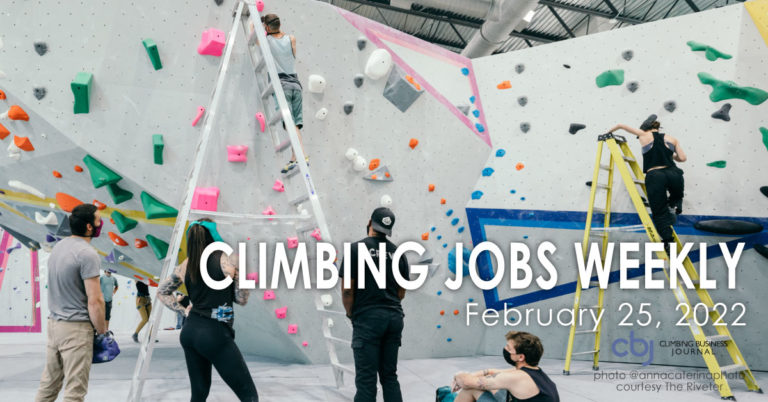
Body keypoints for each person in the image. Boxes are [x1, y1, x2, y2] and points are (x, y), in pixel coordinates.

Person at [157, 219, 258, 401]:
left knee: (199, 395)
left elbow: (162, 292)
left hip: (190, 331)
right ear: (213, 235)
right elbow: (241, 299)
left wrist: (183, 311)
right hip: (215, 333)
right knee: (249, 396)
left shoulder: (187, 264)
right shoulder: (226, 259)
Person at [35, 203, 107, 402]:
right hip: (76, 329)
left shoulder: (60, 246)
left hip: (55, 326)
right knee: (75, 392)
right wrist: (102, 331)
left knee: (48, 386)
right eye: (99, 220)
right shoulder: (87, 254)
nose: (102, 223)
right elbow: (95, 301)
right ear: (89, 227)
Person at [341, 207, 410, 402]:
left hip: (368, 319)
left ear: (370, 222)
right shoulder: (399, 253)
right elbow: (402, 291)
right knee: (389, 376)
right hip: (394, 318)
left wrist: (350, 313)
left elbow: (347, 289)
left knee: (366, 379)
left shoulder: (356, 249)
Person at [609, 115, 687, 248]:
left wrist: (608, 133)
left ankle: (668, 242)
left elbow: (621, 125)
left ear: (646, 128)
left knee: (659, 211)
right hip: (674, 173)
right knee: (676, 193)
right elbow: (683, 158)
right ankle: (675, 203)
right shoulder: (672, 139)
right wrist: (669, 155)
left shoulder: (643, 135)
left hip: (656, 175)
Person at [451, 331, 560, 402]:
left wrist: (458, 376)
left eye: (508, 348)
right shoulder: (531, 372)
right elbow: (492, 372)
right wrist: (471, 375)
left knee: (470, 389)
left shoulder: (516, 377)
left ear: (521, 357)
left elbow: (466, 382)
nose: (505, 350)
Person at [262, 13, 308, 174]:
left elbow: (253, 28)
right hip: (296, 86)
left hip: (282, 87)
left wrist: (262, 28)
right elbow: (292, 55)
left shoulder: (266, 41)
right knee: (294, 125)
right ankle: (295, 158)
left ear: (267, 27)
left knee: (290, 125)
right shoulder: (292, 39)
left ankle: (301, 155)